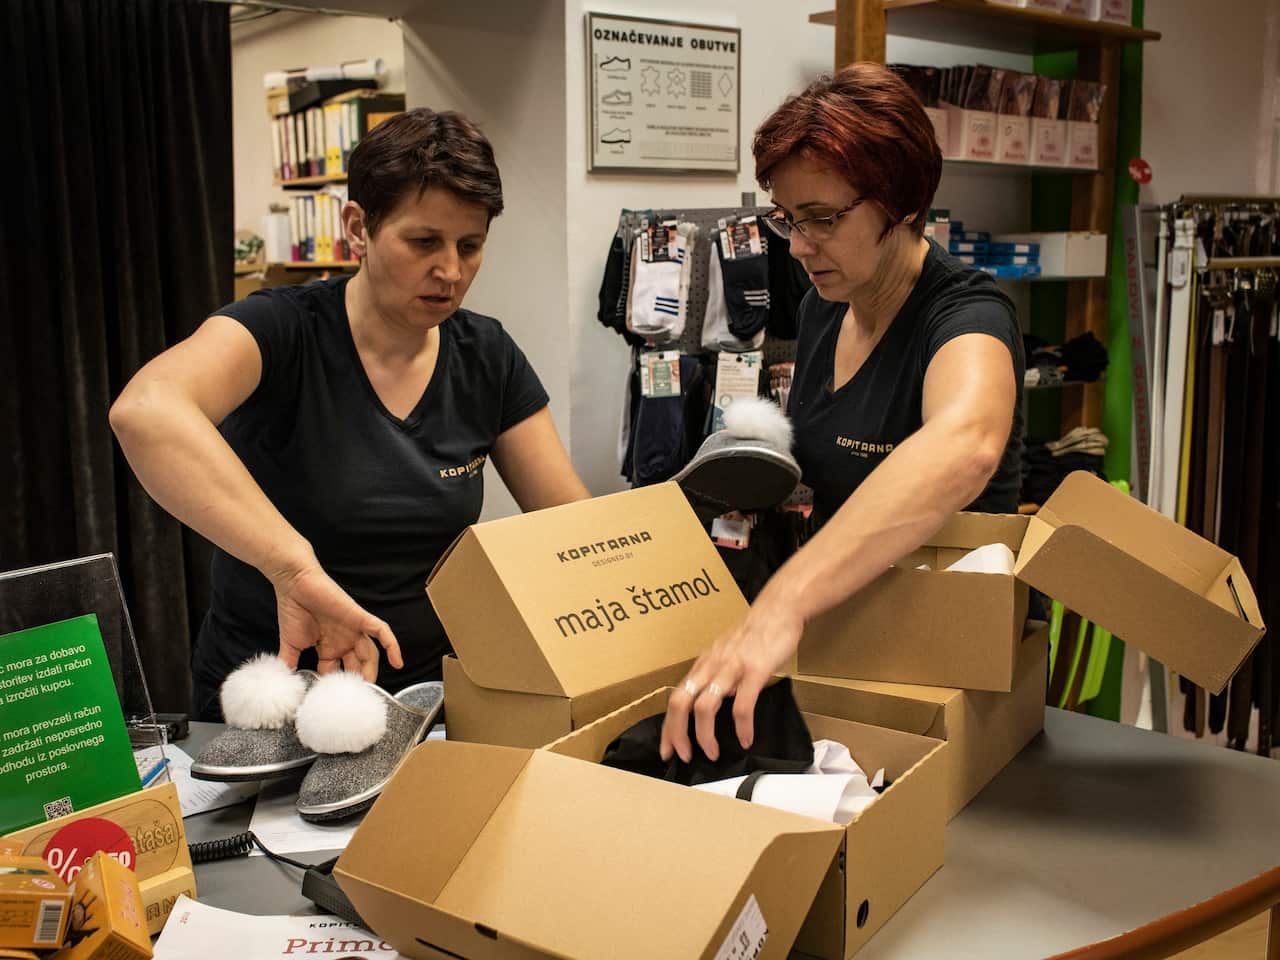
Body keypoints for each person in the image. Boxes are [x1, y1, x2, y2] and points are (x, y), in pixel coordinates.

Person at [111, 108, 589, 721]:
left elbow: (574, 528)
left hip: (424, 702)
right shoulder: (280, 330)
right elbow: (145, 411)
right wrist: (291, 567)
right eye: (424, 242)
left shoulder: (486, 356)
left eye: (470, 246)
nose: (451, 271)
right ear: (358, 228)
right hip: (273, 695)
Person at [662, 64, 1024, 763]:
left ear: (903, 203)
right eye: (788, 219)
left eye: (823, 219)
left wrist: (784, 604)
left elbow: (967, 443)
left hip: (946, 684)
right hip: (844, 659)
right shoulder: (824, 307)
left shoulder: (969, 316)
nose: (799, 247)